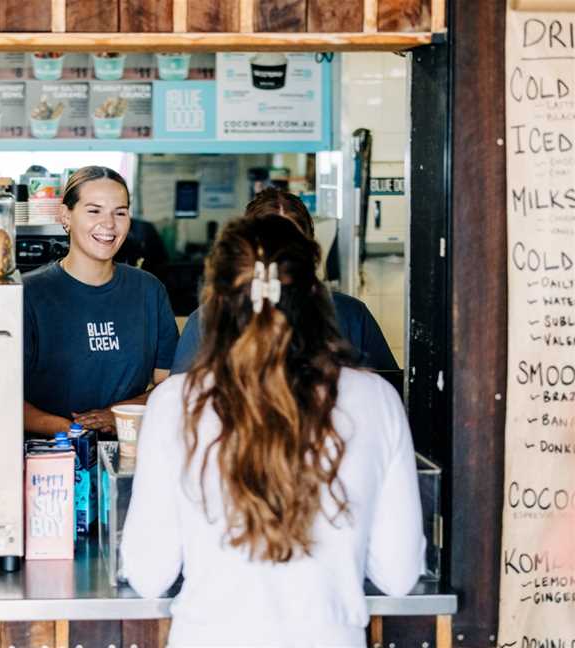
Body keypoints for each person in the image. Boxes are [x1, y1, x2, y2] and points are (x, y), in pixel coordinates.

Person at [121, 213, 424, 647]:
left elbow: (150, 574)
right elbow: (397, 575)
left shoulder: (176, 402)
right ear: (316, 293)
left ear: (216, 300)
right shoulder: (375, 399)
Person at [171, 188, 398, 375]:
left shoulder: (351, 315)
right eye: (271, 243)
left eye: (292, 244)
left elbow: (389, 391)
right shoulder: (207, 321)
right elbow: (180, 405)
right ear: (247, 247)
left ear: (310, 246)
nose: (281, 256)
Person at [23, 166, 178, 435]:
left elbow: (170, 385)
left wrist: (117, 414)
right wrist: (72, 430)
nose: (109, 224)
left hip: (130, 450)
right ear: (65, 215)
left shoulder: (149, 290)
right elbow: (1, 392)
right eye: (94, 211)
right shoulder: (28, 294)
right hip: (46, 455)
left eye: (120, 212)